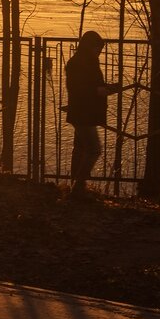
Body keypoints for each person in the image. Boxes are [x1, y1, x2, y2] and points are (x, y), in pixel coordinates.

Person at [65, 30, 125, 196]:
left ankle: (74, 185)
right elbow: (83, 89)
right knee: (94, 149)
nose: (98, 51)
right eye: (97, 48)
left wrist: (108, 88)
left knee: (80, 148)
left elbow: (91, 85)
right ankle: (78, 184)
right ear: (89, 47)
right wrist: (103, 90)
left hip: (81, 111)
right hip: (83, 113)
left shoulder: (84, 62)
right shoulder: (81, 63)